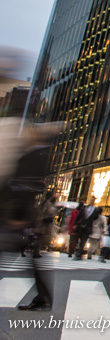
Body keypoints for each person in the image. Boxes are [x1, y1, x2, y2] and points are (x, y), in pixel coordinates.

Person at [0, 123, 60, 311]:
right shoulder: (31, 154)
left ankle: (44, 297)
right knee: (29, 260)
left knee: (22, 256)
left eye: (29, 133)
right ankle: (43, 297)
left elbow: (29, 187)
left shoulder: (36, 156)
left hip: (19, 213)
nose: (25, 135)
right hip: (16, 212)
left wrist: (19, 216)